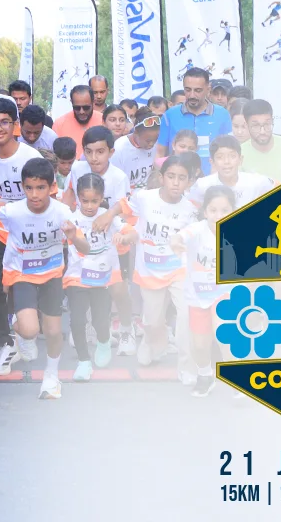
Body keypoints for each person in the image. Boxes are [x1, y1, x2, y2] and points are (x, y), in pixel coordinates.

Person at [94, 155, 197, 378]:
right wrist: (108, 215)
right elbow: (123, 206)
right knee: (151, 322)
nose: (176, 183)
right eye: (171, 176)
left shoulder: (190, 208)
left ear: (189, 182)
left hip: (179, 269)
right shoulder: (145, 198)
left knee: (186, 316)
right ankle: (151, 342)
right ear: (161, 178)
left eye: (182, 178)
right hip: (150, 270)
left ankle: (186, 366)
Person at [0, 155, 79, 399]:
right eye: (29, 188)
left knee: (53, 332)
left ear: (52, 187)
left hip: (52, 274)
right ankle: (18, 337)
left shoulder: (62, 212)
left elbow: (85, 247)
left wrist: (74, 236)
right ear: (22, 187)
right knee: (29, 330)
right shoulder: (12, 212)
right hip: (22, 273)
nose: (35, 194)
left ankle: (51, 375)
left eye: (41, 188)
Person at [0, 96, 44, 372]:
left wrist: (12, 205)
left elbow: (45, 201)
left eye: (5, 122)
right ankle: (7, 342)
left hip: (28, 236)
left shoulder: (31, 157)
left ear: (15, 125)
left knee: (21, 291)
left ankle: (24, 336)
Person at [66, 126, 135, 355]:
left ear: (111, 152)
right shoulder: (77, 168)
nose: (94, 158)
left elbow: (125, 206)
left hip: (111, 243)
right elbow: (69, 197)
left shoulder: (118, 177)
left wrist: (109, 213)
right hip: (86, 241)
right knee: (84, 286)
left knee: (117, 291)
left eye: (100, 152)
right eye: (89, 151)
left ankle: (127, 329)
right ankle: (87, 329)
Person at [170, 184, 235, 397]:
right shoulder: (198, 229)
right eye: (213, 210)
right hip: (197, 295)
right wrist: (176, 243)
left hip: (224, 293)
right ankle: (205, 375)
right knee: (199, 344)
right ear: (205, 211)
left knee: (223, 332)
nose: (218, 215)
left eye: (224, 210)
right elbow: (179, 237)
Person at [63, 173, 125, 381]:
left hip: (102, 277)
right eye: (85, 200)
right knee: (77, 320)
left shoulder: (108, 216)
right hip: (77, 276)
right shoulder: (71, 220)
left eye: (94, 201)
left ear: (102, 198)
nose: (89, 206)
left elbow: (131, 233)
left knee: (100, 320)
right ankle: (83, 361)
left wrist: (124, 236)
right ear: (77, 198)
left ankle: (104, 341)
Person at [158, 68, 231, 174]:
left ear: (208, 89)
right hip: (177, 183)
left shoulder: (222, 115)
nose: (192, 95)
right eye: (188, 90)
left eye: (198, 90)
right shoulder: (169, 116)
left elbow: (229, 151)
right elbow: (160, 154)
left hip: (211, 182)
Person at [191, 134, 271, 210]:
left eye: (232, 156)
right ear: (212, 162)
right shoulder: (203, 185)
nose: (227, 162)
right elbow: (194, 210)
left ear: (240, 159)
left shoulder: (255, 182)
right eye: (220, 157)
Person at [240, 99, 281, 184]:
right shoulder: (239, 153)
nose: (262, 131)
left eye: (267, 124)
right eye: (256, 125)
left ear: (273, 121)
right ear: (246, 125)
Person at [111, 110, 161, 192]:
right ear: (136, 133)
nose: (152, 144)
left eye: (155, 140)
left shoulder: (157, 145)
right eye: (148, 141)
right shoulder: (120, 148)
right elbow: (115, 182)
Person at [52, 85, 103, 158]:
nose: (81, 112)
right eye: (77, 108)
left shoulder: (104, 121)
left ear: (93, 102)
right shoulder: (59, 124)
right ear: (71, 103)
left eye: (86, 108)